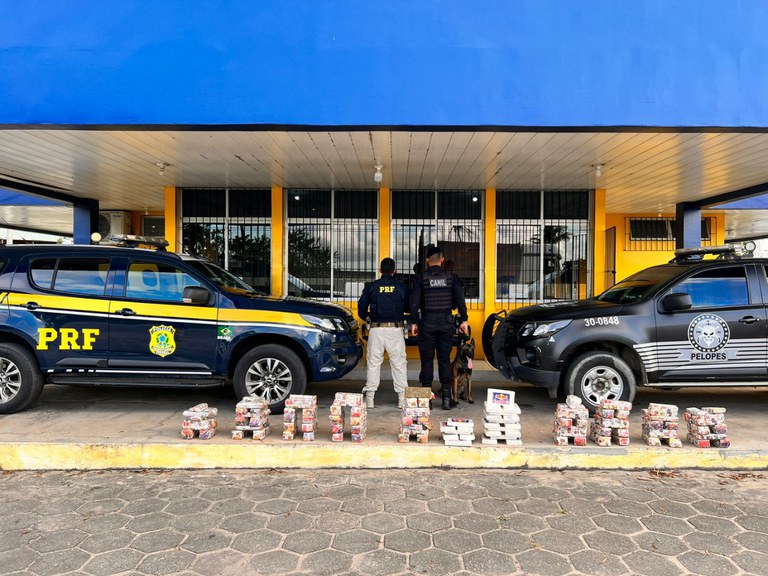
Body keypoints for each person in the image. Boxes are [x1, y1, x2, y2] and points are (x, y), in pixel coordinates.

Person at [409, 246, 469, 410]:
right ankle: (447, 400)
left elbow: (414, 303)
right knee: (444, 359)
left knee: (426, 359)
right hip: (446, 322)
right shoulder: (452, 277)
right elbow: (460, 300)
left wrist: (414, 322)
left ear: (427, 261)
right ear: (442, 260)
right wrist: (464, 319)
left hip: (427, 322)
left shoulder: (421, 278)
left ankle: (426, 400)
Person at [358, 257, 409, 409]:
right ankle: (401, 399)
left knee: (373, 363)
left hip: (376, 329)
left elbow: (361, 309)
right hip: (395, 329)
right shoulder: (401, 287)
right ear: (395, 271)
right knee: (399, 364)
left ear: (380, 271)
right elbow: (410, 306)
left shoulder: (372, 287)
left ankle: (370, 399)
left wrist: (369, 317)